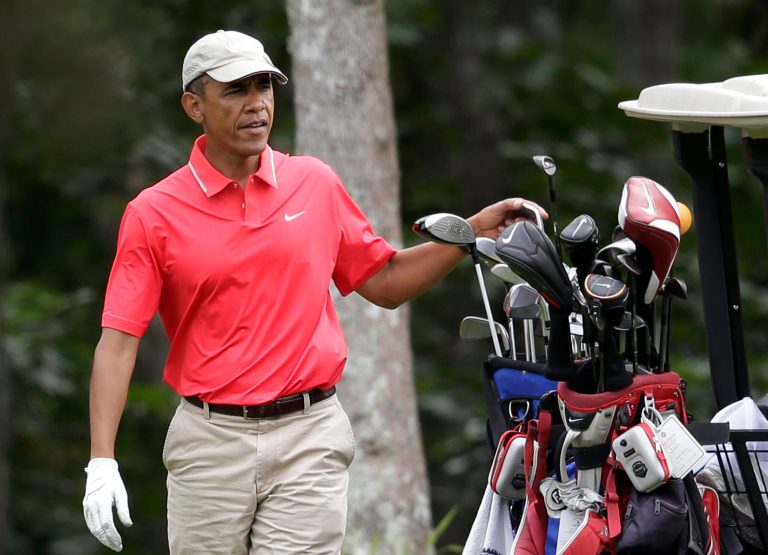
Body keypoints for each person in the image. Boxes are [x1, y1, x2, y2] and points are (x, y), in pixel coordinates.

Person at [82, 29, 546, 554]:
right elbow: (118, 342)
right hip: (209, 443)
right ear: (195, 105)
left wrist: (473, 232)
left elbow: (385, 281)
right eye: (235, 90)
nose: (257, 104)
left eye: (265, 86)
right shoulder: (154, 213)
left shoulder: (314, 183)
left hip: (309, 435)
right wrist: (102, 460)